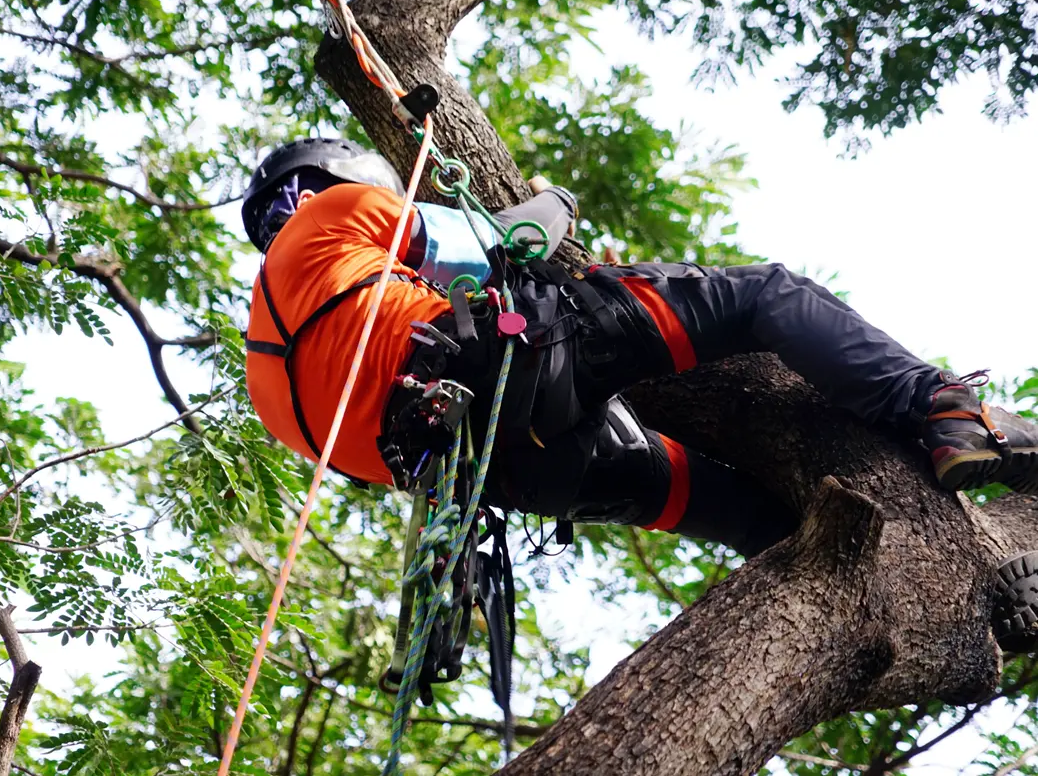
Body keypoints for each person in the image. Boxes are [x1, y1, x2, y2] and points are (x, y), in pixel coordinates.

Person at [242, 137, 1038, 560]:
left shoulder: (265, 388)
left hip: (523, 474)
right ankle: (945, 410)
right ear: (337, 176)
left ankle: (901, 566)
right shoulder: (331, 215)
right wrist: (550, 204)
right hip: (532, 365)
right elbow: (506, 243)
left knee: (747, 515)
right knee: (764, 295)